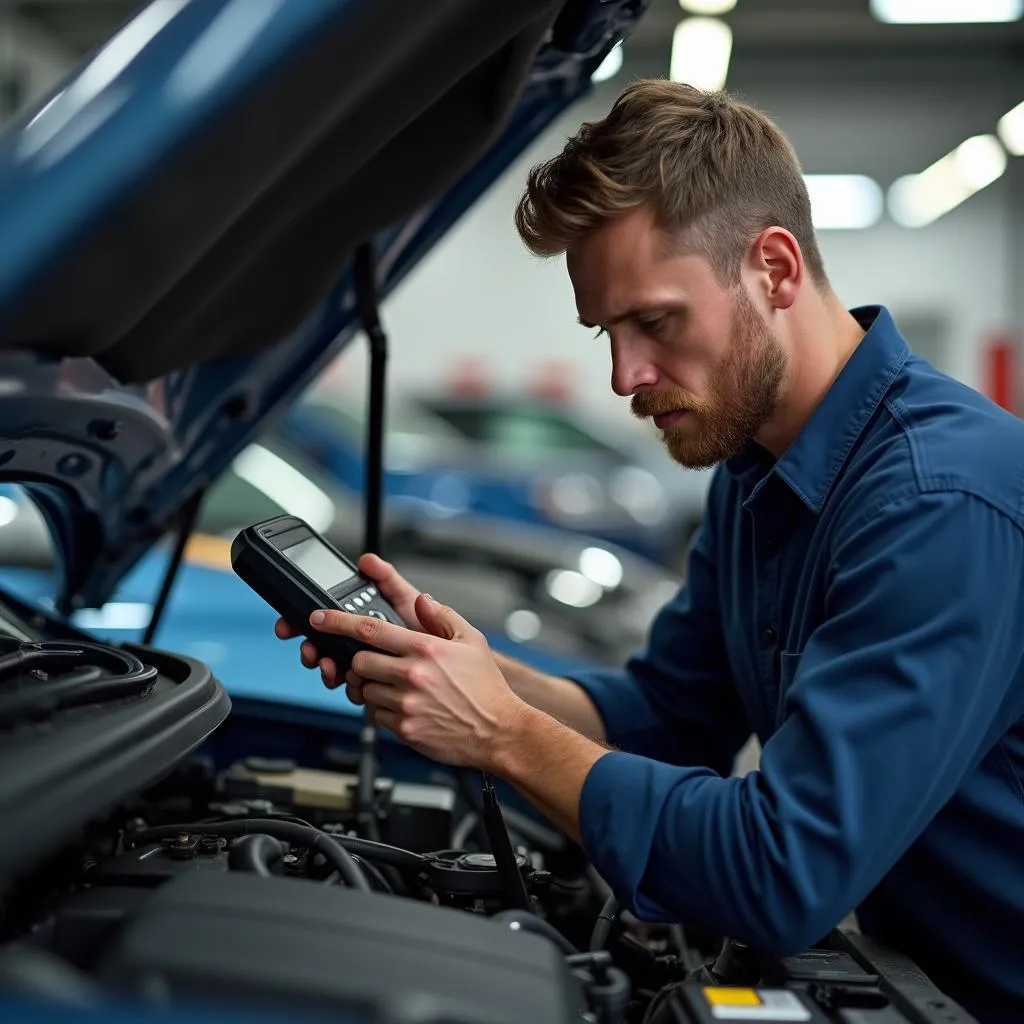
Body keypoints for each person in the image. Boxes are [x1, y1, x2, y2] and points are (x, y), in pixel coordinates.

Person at [276, 81, 1024, 1022]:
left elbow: (781, 872)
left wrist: (501, 735)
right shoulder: (757, 470)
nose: (625, 375)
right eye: (608, 333)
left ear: (776, 269)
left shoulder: (937, 502)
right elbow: (664, 719)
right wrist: (468, 673)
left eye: (657, 322)